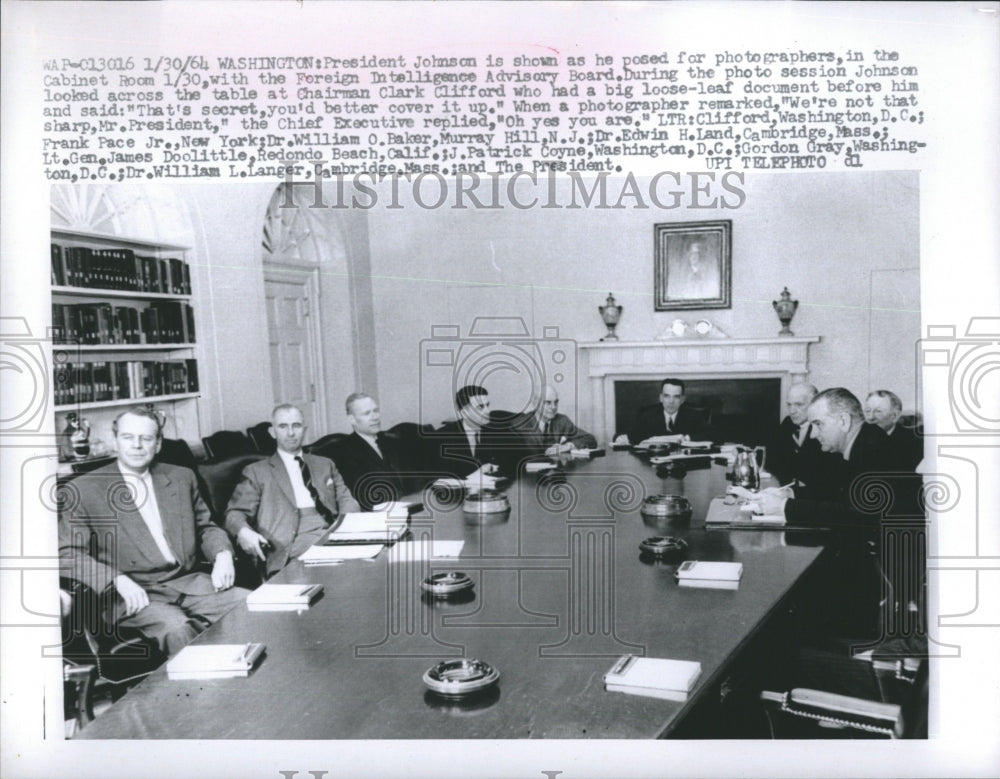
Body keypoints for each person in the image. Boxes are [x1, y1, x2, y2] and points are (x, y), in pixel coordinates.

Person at [58, 408, 248, 657]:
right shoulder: (83, 489)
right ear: (115, 440)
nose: (137, 445)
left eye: (146, 438)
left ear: (157, 444)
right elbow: (67, 553)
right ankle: (212, 696)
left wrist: (222, 554)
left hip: (187, 583)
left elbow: (206, 527)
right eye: (128, 437)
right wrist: (115, 579)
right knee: (178, 628)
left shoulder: (180, 477)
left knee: (252, 604)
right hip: (131, 594)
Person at [224, 404, 360, 577]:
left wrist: (347, 529)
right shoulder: (256, 472)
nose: (290, 433)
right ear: (272, 432)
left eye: (296, 426)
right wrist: (243, 531)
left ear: (304, 429)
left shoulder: (325, 464)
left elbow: (346, 500)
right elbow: (234, 513)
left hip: (333, 532)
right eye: (283, 426)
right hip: (289, 543)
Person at [334, 392, 407, 510]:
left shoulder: (392, 441)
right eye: (367, 413)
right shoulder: (344, 451)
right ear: (352, 419)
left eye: (375, 411)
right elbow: (362, 494)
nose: (375, 417)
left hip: (410, 504)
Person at [766, 382, 840, 496]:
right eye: (789, 405)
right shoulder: (788, 423)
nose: (792, 411)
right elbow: (772, 458)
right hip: (789, 490)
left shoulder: (827, 429)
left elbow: (827, 477)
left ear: (814, 404)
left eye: (799, 405)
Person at [430, 384, 518, 478]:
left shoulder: (499, 431)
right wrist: (476, 474)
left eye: (487, 405)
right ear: (464, 413)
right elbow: (439, 476)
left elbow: (516, 461)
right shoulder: (442, 437)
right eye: (480, 407)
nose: (487, 411)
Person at [513, 384, 597, 455]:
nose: (553, 407)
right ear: (535, 403)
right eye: (548, 402)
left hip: (557, 472)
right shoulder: (521, 424)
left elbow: (590, 439)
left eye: (556, 402)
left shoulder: (562, 421)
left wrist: (568, 446)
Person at [618, 377, 706, 444]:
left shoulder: (693, 416)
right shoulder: (648, 416)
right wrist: (621, 439)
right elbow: (631, 435)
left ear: (682, 399)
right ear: (661, 398)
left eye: (676, 396)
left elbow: (714, 434)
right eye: (667, 396)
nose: (671, 401)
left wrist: (686, 438)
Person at [864, 389, 923, 471]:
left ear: (895, 416)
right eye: (867, 411)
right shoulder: (860, 437)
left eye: (878, 411)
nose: (870, 417)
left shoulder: (912, 442)